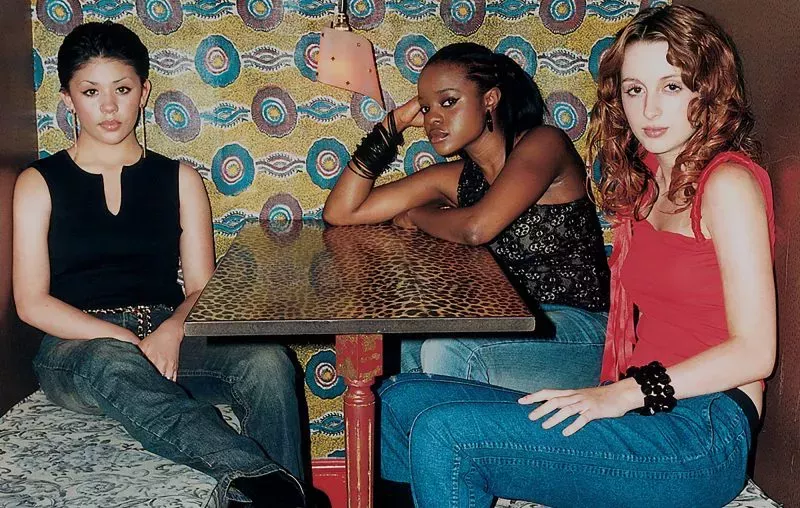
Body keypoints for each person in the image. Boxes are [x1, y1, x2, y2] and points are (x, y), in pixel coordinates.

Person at [377, 5, 775, 507]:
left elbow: (755, 351)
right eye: (635, 89)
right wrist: (617, 394)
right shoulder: (649, 180)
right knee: (396, 401)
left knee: (444, 433)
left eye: (672, 87)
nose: (650, 109)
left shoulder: (728, 184)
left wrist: (622, 394)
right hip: (640, 409)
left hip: (701, 431)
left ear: (708, 90)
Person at [12, 22, 307, 508]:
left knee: (266, 360)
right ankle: (272, 485)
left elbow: (201, 287)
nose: (109, 107)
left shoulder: (180, 178)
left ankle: (262, 498)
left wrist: (171, 330)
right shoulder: (38, 182)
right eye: (91, 92)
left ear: (144, 92)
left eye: (122, 89)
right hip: (77, 349)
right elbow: (31, 302)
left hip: (169, 331)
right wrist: (124, 340)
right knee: (112, 361)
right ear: (68, 99)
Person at [324, 42, 610, 393]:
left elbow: (476, 228)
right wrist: (393, 123)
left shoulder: (545, 143)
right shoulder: (458, 178)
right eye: (426, 108)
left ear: (490, 99)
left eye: (448, 102)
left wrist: (417, 215)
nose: (433, 119)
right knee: (401, 350)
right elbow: (342, 212)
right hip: (503, 326)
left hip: (580, 331)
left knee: (448, 349)